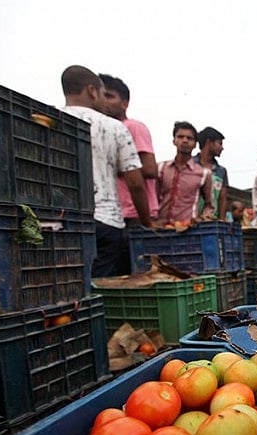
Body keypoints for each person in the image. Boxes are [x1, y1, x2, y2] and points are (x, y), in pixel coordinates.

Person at [60, 65, 151, 278]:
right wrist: (147, 222)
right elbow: (136, 184)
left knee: (69, 282)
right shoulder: (115, 127)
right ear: (92, 91)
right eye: (102, 94)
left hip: (62, 221)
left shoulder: (50, 120)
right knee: (101, 285)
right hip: (106, 221)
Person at [98, 73, 159, 275]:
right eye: (102, 95)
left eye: (110, 96)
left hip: (134, 214)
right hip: (116, 215)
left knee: (130, 273)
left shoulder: (132, 127)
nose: (104, 101)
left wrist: (117, 164)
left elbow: (150, 169)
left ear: (124, 103)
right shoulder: (105, 129)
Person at [156, 121, 213, 224]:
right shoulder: (161, 168)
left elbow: (209, 205)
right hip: (161, 230)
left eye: (189, 138)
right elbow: (152, 197)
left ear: (195, 144)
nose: (185, 141)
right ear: (174, 141)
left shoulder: (204, 174)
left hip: (189, 232)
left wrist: (202, 219)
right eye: (180, 137)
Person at [195, 127, 229, 220]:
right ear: (209, 142)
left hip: (211, 223)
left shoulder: (221, 171)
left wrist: (222, 221)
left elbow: (222, 199)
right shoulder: (190, 165)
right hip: (190, 221)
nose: (222, 148)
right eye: (219, 143)